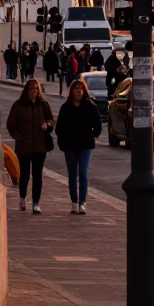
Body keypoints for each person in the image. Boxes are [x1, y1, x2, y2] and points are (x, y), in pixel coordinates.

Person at [6, 78, 54, 214]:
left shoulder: (43, 105)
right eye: (31, 89)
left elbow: (51, 120)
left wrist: (48, 125)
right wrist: (19, 137)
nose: (34, 91)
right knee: (25, 175)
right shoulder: (18, 105)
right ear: (27, 91)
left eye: (36, 89)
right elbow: (11, 125)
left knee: (37, 175)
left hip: (40, 146)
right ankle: (22, 198)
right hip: (24, 146)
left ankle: (36, 203)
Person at [55, 78, 102, 214]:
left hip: (86, 145)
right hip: (70, 145)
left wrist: (94, 135)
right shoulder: (66, 108)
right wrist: (63, 141)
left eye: (81, 88)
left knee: (83, 172)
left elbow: (97, 125)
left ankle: (82, 202)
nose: (79, 91)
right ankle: (74, 202)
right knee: (72, 174)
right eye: (76, 88)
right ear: (72, 91)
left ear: (84, 91)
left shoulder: (90, 106)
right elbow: (59, 128)